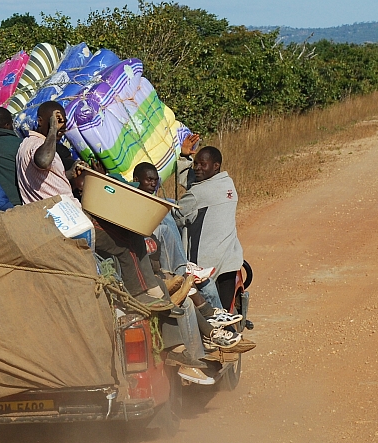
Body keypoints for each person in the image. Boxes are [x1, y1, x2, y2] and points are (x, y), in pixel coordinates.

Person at [16, 101, 173, 310]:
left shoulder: (32, 147)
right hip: (65, 219)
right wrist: (53, 129)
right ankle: (140, 296)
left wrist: (72, 174)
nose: (61, 129)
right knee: (124, 242)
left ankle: (153, 289)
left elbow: (46, 177)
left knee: (131, 233)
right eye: (56, 123)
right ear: (41, 121)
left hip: (66, 214)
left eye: (62, 125)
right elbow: (43, 160)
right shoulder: (36, 145)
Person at [132, 161, 221, 308]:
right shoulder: (130, 199)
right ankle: (183, 267)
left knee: (209, 286)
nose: (153, 184)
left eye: (156, 180)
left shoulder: (153, 199)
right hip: (147, 249)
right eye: (149, 180)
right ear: (136, 180)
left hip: (160, 248)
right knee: (164, 216)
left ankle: (220, 317)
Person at [173, 146, 244, 310]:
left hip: (203, 265)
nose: (197, 168)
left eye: (202, 164)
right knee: (224, 310)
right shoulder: (227, 184)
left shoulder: (199, 194)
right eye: (195, 164)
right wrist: (185, 158)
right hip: (229, 260)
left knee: (207, 312)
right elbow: (195, 184)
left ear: (216, 165)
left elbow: (178, 215)